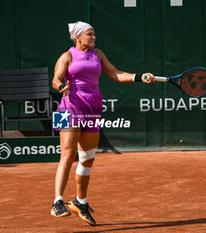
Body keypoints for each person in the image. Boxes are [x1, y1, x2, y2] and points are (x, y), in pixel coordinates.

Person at [50, 21, 155, 226]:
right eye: (90, 34)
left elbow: (115, 74)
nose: (94, 37)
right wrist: (62, 86)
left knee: (88, 157)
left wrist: (139, 77)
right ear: (78, 37)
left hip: (93, 107)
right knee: (68, 154)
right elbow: (55, 79)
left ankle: (81, 202)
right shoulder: (67, 56)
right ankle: (57, 202)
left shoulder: (98, 54)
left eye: (94, 34)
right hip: (68, 107)